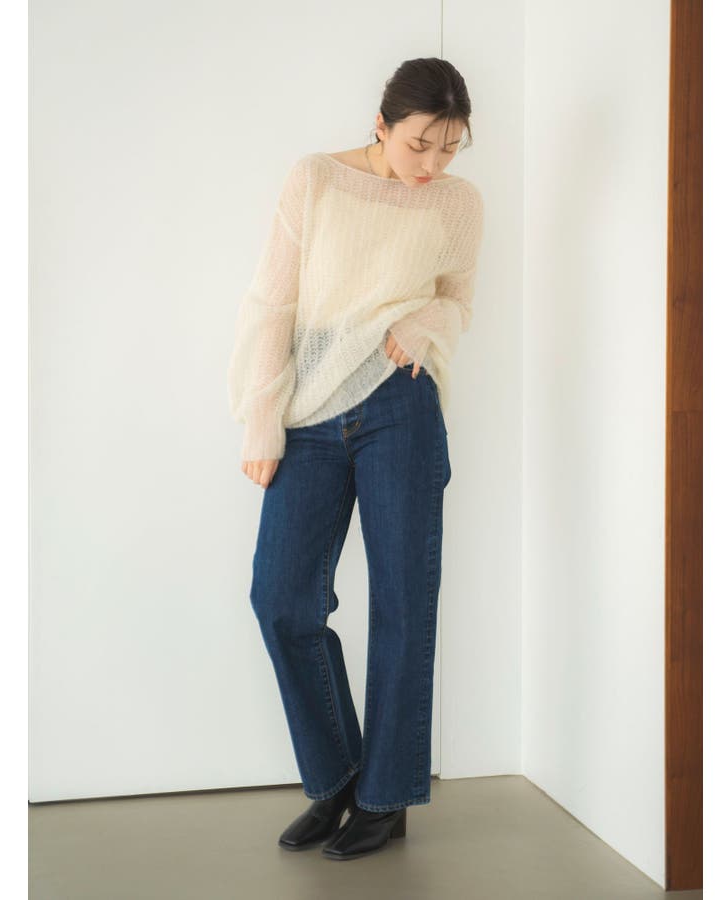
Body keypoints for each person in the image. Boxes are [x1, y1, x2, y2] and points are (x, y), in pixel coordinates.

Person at [226, 57, 484, 861]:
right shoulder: (316, 180)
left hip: (401, 407)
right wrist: (261, 420)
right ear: (381, 124)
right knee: (282, 600)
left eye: (449, 148)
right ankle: (339, 777)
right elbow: (274, 302)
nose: (431, 165)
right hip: (309, 414)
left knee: (404, 604)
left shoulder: (458, 203)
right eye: (418, 145)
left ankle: (386, 797)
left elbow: (457, 300)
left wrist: (424, 324)